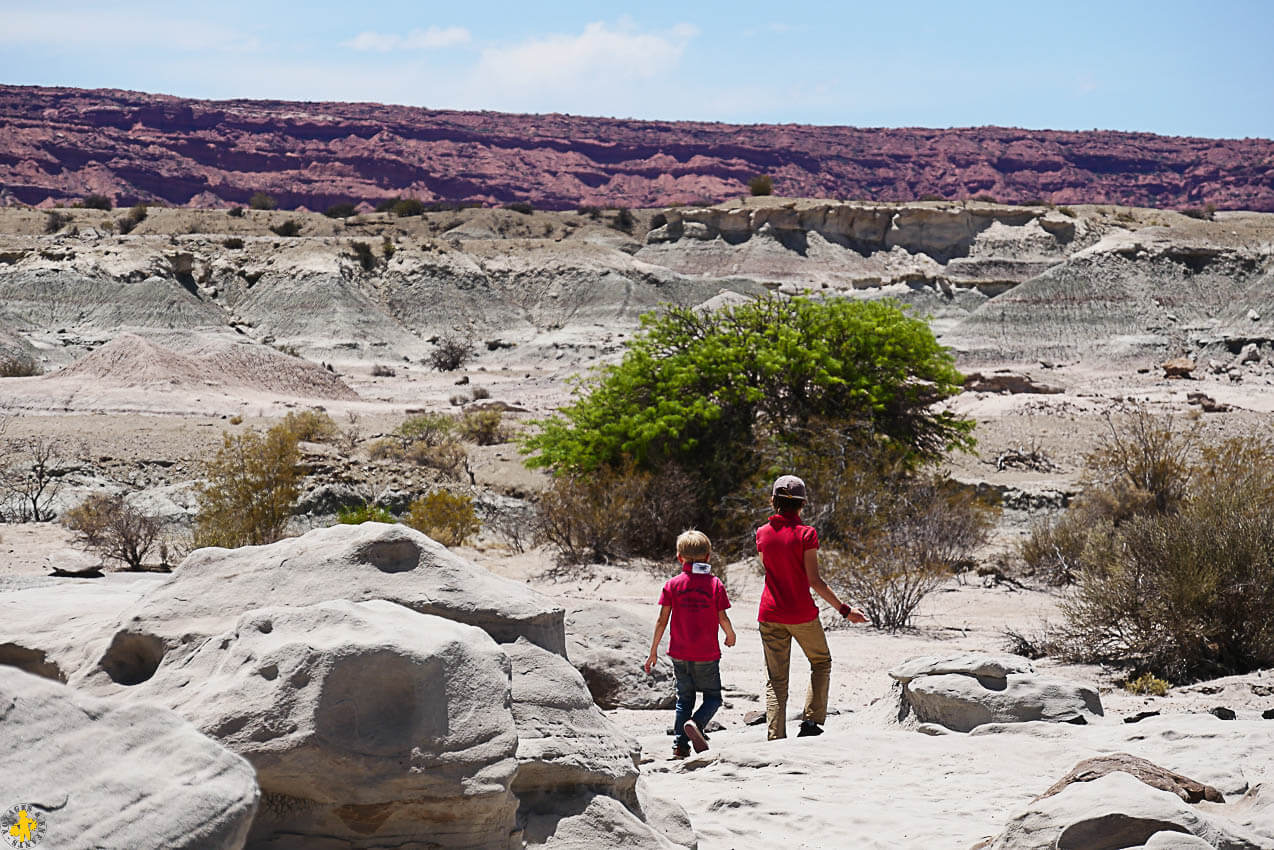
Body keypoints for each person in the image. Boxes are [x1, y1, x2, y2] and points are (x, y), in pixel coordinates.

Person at [756, 474, 866, 740]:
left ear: (773, 501)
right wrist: (844, 609)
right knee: (820, 662)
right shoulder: (806, 534)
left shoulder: (762, 533)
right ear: (802, 504)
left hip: (770, 613)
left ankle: (775, 737)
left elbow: (768, 568)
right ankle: (811, 723)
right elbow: (814, 581)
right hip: (801, 613)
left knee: (776, 679)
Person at [644, 529, 736, 758]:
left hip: (679, 654)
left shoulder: (672, 584)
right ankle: (697, 723)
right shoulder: (715, 585)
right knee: (713, 697)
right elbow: (722, 616)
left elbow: (662, 620)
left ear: (679, 557)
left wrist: (653, 650)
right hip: (706, 654)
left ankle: (680, 745)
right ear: (708, 557)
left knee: (684, 699)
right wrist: (730, 633)